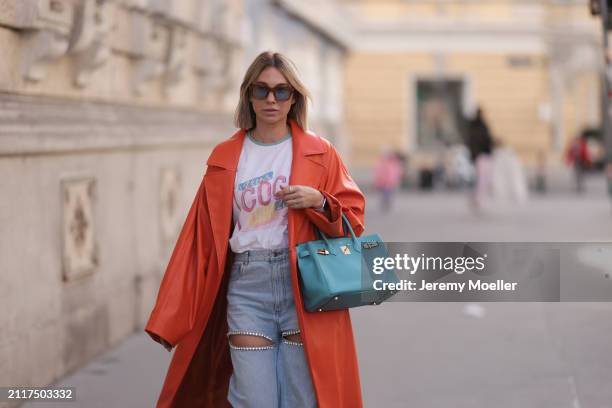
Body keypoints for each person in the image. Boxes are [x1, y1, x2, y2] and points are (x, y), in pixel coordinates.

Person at [144, 51, 366, 408]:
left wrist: (319, 201)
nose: (271, 100)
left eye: (281, 91)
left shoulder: (320, 153)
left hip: (305, 284)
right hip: (248, 286)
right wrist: (170, 315)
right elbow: (198, 238)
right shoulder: (226, 156)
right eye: (261, 90)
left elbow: (353, 218)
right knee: (253, 400)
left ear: (294, 97)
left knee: (303, 399)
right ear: (248, 94)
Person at [465, 107, 494, 210]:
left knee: (483, 178)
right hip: (480, 155)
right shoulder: (477, 126)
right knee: (481, 179)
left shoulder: (481, 126)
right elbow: (475, 142)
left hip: (484, 155)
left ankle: (477, 198)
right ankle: (477, 198)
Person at [373, 145, 403, 211]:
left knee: (389, 192)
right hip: (383, 181)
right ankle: (385, 203)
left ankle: (387, 203)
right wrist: (378, 179)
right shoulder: (381, 162)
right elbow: (377, 171)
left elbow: (397, 171)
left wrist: (397, 178)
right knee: (384, 193)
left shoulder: (394, 162)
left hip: (391, 181)